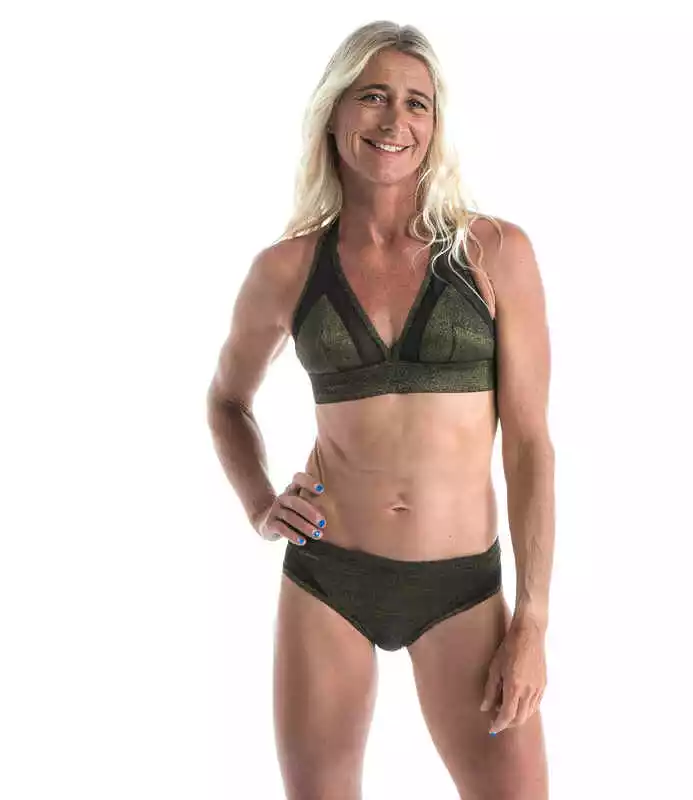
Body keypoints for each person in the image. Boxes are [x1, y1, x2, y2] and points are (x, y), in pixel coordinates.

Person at [206, 20, 555, 800]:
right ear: (334, 111)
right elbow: (227, 400)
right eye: (372, 96)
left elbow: (530, 445)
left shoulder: (494, 253)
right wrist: (260, 504)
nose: (395, 120)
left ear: (435, 125)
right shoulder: (287, 269)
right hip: (327, 580)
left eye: (416, 103)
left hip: (462, 590)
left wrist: (531, 620)